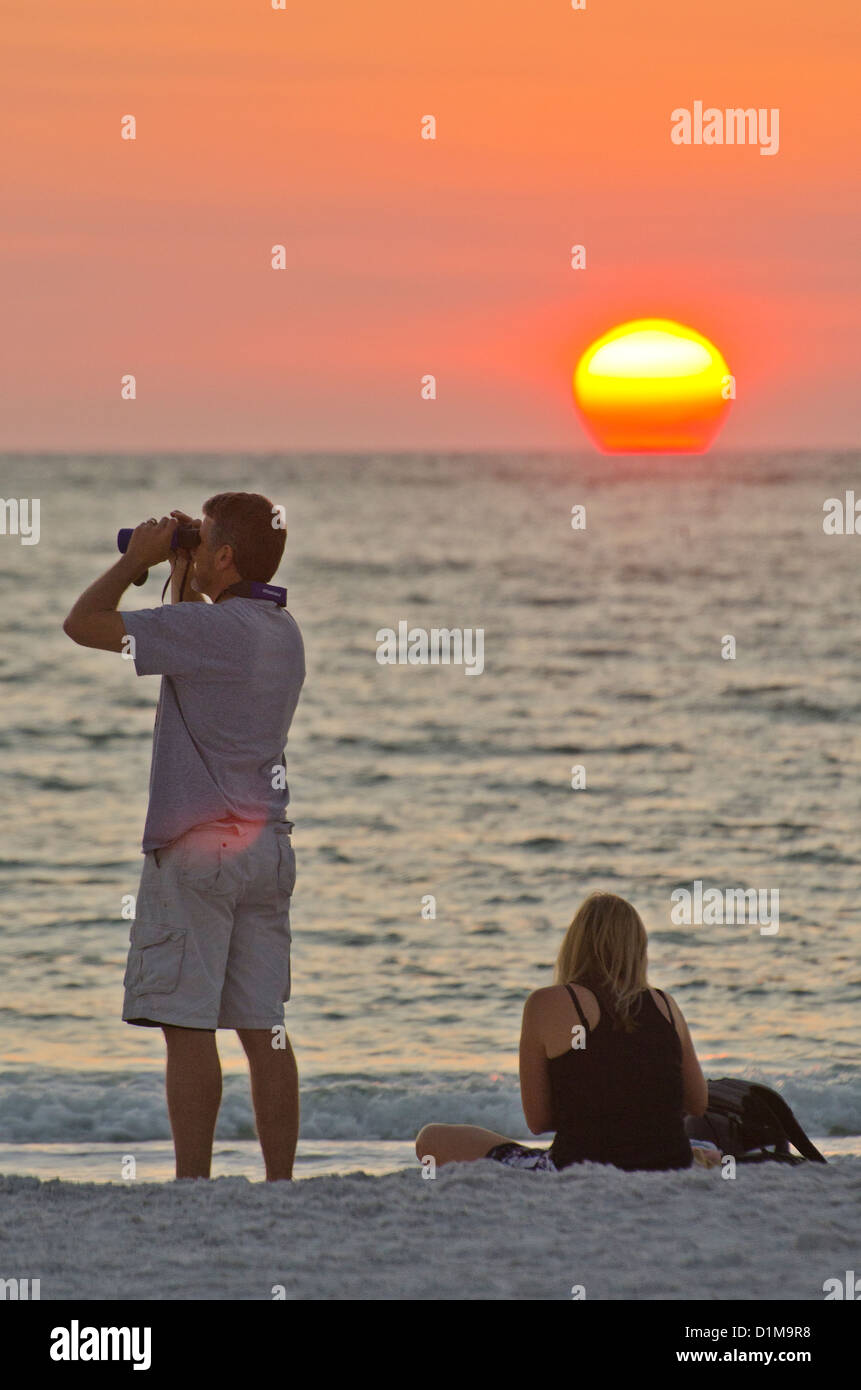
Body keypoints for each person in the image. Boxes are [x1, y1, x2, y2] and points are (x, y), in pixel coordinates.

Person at [63, 493, 305, 1180]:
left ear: (223, 555)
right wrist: (182, 567)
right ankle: (281, 1186)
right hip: (265, 848)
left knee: (189, 1026)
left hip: (200, 850)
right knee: (265, 1028)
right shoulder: (279, 631)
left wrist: (136, 561)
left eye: (203, 542)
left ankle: (192, 1183)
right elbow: (195, 628)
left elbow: (82, 623)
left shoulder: (207, 633)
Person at [416, 891, 718, 1173]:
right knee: (702, 1145)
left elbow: (539, 1120)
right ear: (638, 949)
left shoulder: (547, 1003)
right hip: (670, 1163)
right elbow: (697, 1103)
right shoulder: (665, 1005)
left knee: (430, 1139)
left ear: (574, 945)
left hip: (577, 1167)